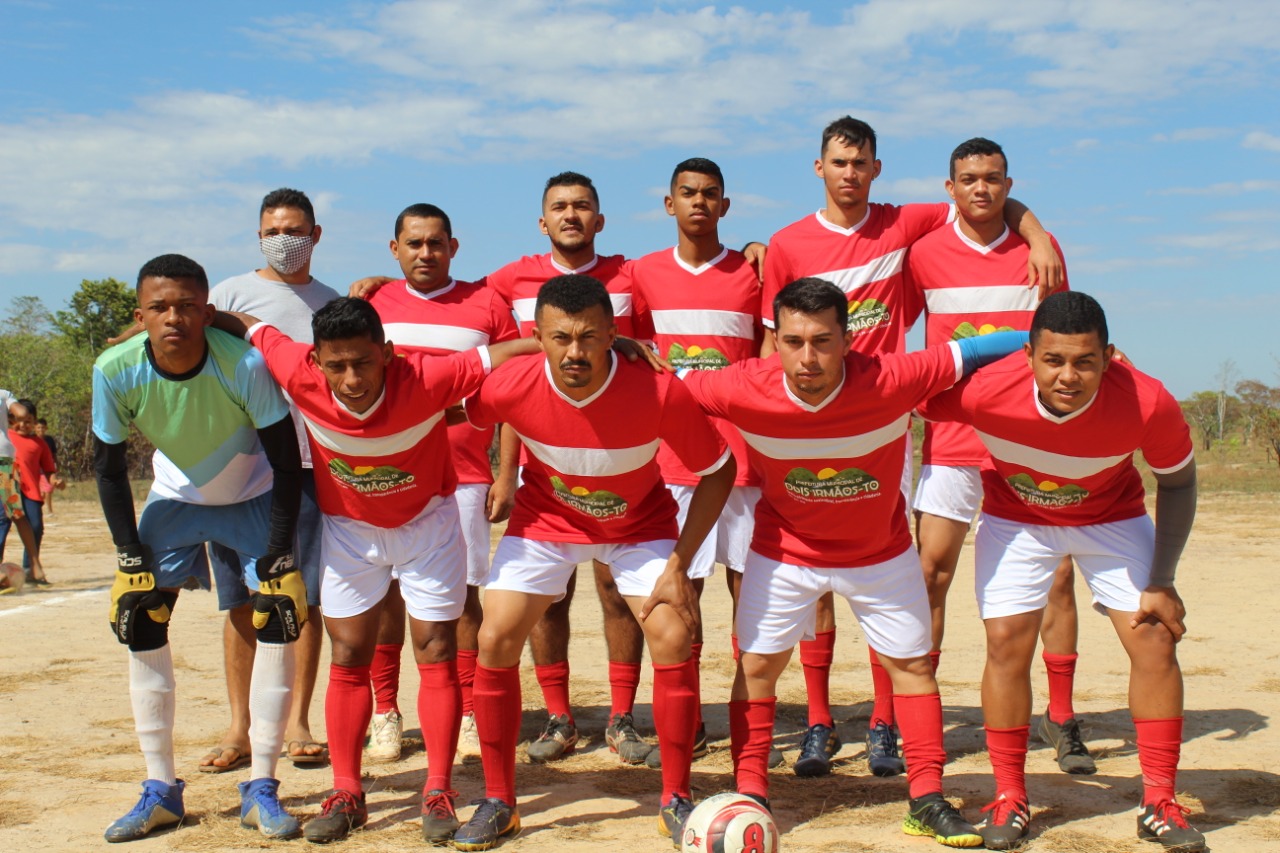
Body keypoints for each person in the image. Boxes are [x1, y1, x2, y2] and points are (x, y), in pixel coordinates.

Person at [757, 115, 1064, 779]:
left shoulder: (905, 225)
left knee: (881, 570)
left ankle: (883, 723)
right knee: (813, 577)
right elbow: (766, 342)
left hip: (882, 424)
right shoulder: (785, 244)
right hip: (804, 424)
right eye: (838, 162)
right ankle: (816, 719)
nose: (849, 173)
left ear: (876, 169)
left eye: (861, 162)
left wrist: (1035, 229)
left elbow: (985, 197)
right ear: (820, 168)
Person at [681, 277, 1027, 848]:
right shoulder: (743, 385)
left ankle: (926, 799)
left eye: (822, 341)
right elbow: (665, 386)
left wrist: (1054, 342)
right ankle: (751, 791)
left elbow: (982, 347)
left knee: (913, 670)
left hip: (881, 556)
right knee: (757, 670)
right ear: (776, 339)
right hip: (783, 552)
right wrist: (620, 350)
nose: (807, 357)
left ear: (848, 339)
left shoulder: (892, 378)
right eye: (793, 341)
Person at [218, 296, 539, 844]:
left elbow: (512, 350)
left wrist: (599, 341)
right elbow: (252, 326)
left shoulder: (430, 376)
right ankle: (347, 791)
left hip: (429, 525)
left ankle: (437, 789)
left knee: (436, 650)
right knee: (348, 655)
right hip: (350, 530)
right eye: (336, 365)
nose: (350, 379)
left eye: (363, 363)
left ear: (387, 354)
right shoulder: (296, 369)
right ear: (315, 362)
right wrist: (191, 311)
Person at [454, 274, 735, 850]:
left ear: (614, 333)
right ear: (538, 337)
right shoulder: (512, 385)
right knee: (496, 636)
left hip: (639, 528)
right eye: (559, 338)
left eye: (588, 337)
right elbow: (443, 410)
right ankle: (499, 801)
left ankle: (675, 800)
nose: (574, 352)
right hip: (546, 525)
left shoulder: (658, 391)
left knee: (673, 632)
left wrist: (680, 562)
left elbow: (720, 469)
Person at [918, 291, 1201, 851]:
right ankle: (1009, 796)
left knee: (1154, 638)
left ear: (1110, 357)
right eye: (1053, 360)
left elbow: (1179, 481)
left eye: (1085, 361)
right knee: (1005, 644)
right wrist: (996, 342)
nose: (1068, 376)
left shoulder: (1147, 402)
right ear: (1027, 356)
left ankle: (1160, 801)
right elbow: (907, 385)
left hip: (1111, 518)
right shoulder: (985, 391)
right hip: (1017, 519)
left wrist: (1162, 579)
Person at [92, 254, 304, 842]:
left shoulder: (244, 364)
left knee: (280, 614)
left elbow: (287, 463)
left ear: (207, 312)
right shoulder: (114, 369)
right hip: (176, 497)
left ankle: (261, 787)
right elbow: (108, 472)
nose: (174, 318)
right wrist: (129, 552)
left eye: (187, 306)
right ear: (141, 315)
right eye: (160, 307)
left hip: (254, 496)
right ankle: (160, 790)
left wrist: (281, 548)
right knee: (137, 617)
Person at [903, 138, 1094, 774]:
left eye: (992, 179)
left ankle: (1061, 718)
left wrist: (1036, 231)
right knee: (930, 572)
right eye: (968, 179)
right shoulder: (922, 253)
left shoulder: (1040, 250)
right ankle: (916, 715)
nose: (980, 189)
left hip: (1028, 439)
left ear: (1009, 184)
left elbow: (1065, 338)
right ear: (949, 187)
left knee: (1057, 577)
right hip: (953, 436)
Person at [362, 203, 519, 765]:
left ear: (453, 247)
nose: (425, 253)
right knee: (385, 595)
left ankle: (471, 710)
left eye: (435, 243)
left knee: (464, 597)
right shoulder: (372, 304)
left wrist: (506, 472)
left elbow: (511, 395)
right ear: (394, 249)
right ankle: (386, 712)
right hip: (388, 476)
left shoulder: (486, 305)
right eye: (414, 243)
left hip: (465, 477)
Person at [628, 157, 764, 769]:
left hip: (745, 461)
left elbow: (767, 362)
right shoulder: (641, 276)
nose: (700, 203)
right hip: (674, 460)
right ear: (669, 203)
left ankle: (749, 721)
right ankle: (692, 718)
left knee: (752, 592)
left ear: (725, 206)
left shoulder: (751, 273)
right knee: (682, 588)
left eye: (711, 194)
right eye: (688, 193)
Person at [200, 187, 339, 771]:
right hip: (236, 468)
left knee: (298, 597)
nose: (283, 239)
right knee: (239, 599)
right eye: (271, 230)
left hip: (308, 465)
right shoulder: (226, 296)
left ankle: (299, 721)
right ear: (258, 235)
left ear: (315, 234)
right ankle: (241, 725)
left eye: (294, 229)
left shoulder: (330, 303)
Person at [5, 401, 56, 583]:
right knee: (3, 524)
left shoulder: (39, 444)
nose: (23, 425)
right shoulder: (6, 437)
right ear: (10, 420)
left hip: (30, 491)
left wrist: (54, 480)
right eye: (19, 420)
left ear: (35, 422)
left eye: (29, 421)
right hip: (8, 488)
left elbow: (49, 469)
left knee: (35, 526)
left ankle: (29, 568)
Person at [0, 391, 45, 583]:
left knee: (8, 515)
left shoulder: (3, 394)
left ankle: (32, 565)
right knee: (14, 513)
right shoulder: (3, 394)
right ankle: (35, 565)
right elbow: (19, 412)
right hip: (4, 460)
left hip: (3, 461)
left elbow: (19, 413)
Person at [34, 418, 63, 517]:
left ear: (46, 428)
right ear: (35, 428)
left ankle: (49, 511)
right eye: (38, 427)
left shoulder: (49, 440)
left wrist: (56, 465)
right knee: (40, 492)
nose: (41, 430)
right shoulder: (32, 439)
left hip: (47, 467)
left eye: (42, 427)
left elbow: (54, 454)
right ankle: (38, 510)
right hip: (35, 467)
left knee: (49, 488)